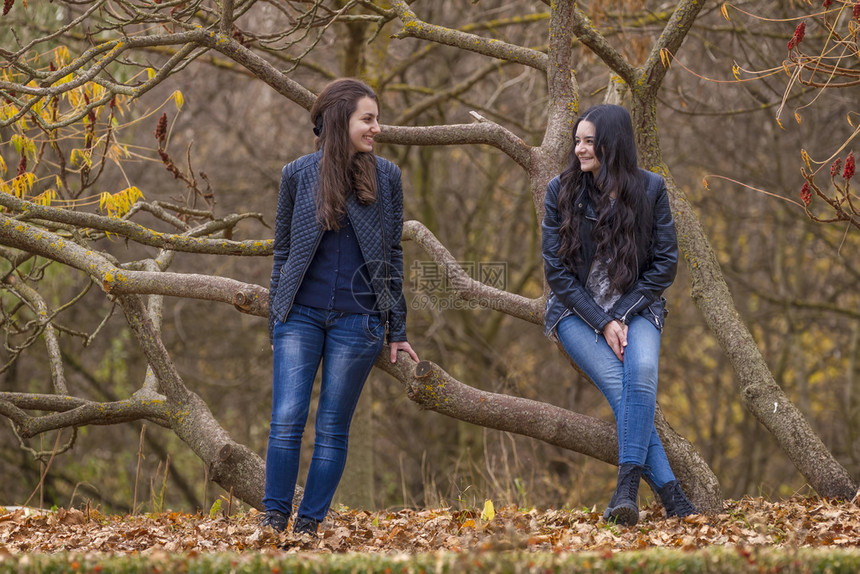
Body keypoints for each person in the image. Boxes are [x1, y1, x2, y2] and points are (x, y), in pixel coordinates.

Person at [263, 78, 419, 536]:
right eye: (367, 119)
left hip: (360, 321)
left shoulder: (386, 176)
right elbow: (282, 251)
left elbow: (392, 255)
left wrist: (397, 329)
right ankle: (273, 520)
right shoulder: (297, 174)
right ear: (339, 120)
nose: (376, 127)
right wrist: (277, 318)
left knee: (332, 428)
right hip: (299, 317)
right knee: (287, 419)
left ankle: (308, 526)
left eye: (376, 118)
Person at [541, 104, 696, 526]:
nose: (579, 149)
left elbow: (664, 264)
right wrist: (604, 321)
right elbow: (556, 273)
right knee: (625, 392)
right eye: (577, 140)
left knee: (641, 372)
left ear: (612, 144)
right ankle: (673, 496)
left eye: (589, 141)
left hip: (639, 307)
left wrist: (622, 315)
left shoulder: (651, 189)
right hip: (576, 313)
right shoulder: (561, 191)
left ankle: (626, 488)